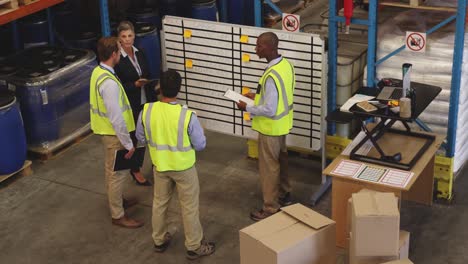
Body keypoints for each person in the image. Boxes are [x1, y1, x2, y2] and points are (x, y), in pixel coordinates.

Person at [136, 69, 215, 260]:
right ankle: (194, 246)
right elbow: (200, 145)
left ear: (159, 88)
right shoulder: (187, 116)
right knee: (189, 207)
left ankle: (159, 240)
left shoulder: (146, 110)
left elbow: (140, 138)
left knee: (159, 203)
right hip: (184, 169)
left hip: (160, 167)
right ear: (179, 90)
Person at [236, 32, 295, 221]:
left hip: (270, 128)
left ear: (271, 47)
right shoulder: (285, 65)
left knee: (269, 168)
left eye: (259, 46)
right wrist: (257, 96)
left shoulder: (271, 75)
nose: (256, 49)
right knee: (283, 161)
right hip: (283, 125)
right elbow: (277, 98)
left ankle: (270, 207)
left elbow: (269, 109)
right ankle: (285, 193)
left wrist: (247, 106)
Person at [89, 36, 144, 228]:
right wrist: (129, 144)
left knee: (112, 171)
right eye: (119, 50)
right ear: (113, 54)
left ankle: (118, 201)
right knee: (116, 174)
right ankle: (118, 215)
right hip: (114, 135)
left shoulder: (99, 71)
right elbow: (116, 118)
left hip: (107, 132)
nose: (121, 53)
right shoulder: (109, 83)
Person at [114, 21, 156, 186]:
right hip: (132, 104)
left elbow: (148, 72)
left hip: (147, 100)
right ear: (119, 38)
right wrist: (134, 85)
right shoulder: (118, 60)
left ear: (134, 36)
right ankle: (135, 170)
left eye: (130, 35)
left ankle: (157, 164)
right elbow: (117, 86)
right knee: (134, 138)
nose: (128, 39)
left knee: (152, 134)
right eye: (124, 36)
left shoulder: (140, 53)